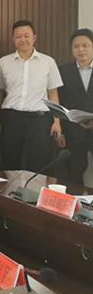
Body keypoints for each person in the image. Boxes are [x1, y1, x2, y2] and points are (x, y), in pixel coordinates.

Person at [0, 20, 63, 171]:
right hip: (11, 119)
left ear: (34, 37)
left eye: (26, 36)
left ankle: (33, 188)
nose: (22, 39)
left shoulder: (48, 62)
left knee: (37, 163)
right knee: (10, 161)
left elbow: (53, 93)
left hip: (39, 121)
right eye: (18, 36)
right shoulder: (3, 62)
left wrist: (57, 121)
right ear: (13, 39)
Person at [59, 28, 93, 184]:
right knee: (74, 173)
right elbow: (60, 101)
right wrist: (61, 131)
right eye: (76, 46)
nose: (81, 50)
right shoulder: (63, 71)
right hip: (73, 131)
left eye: (85, 45)